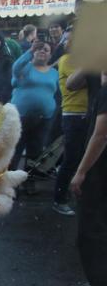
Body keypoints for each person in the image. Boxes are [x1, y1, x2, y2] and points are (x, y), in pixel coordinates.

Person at [70, 73, 107, 286]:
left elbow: (102, 134)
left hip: (100, 171)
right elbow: (71, 83)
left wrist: (81, 171)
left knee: (92, 231)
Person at [9, 40, 59, 194]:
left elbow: (55, 93)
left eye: (46, 49)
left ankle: (28, 182)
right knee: (15, 151)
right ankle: (10, 184)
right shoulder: (25, 67)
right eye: (39, 49)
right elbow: (16, 67)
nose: (42, 51)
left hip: (44, 119)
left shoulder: (54, 72)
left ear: (50, 54)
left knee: (35, 152)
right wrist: (30, 50)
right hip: (21, 117)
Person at [52, 34, 89, 216]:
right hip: (73, 114)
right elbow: (74, 84)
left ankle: (83, 196)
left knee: (86, 158)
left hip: (90, 113)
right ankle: (59, 199)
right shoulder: (67, 60)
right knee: (71, 159)